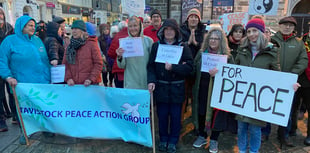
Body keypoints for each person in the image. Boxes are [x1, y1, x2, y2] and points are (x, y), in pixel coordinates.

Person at [0, 15, 51, 144]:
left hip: (40, 83)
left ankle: (46, 128)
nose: (33, 28)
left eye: (34, 26)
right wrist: (8, 76)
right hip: (21, 84)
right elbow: (2, 61)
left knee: (42, 107)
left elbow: (44, 60)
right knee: (24, 110)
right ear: (21, 26)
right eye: (30, 25)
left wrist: (48, 77)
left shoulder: (37, 40)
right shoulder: (9, 41)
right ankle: (26, 132)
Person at [235, 18, 280, 153]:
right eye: (248, 31)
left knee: (255, 129)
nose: (251, 34)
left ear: (261, 32)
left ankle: (254, 151)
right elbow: (234, 69)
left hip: (259, 99)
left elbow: (278, 75)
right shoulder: (242, 50)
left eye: (254, 30)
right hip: (243, 96)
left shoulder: (271, 52)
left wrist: (290, 85)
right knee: (241, 127)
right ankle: (242, 150)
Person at [147, 19, 193, 153]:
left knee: (175, 117)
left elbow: (190, 67)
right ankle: (163, 139)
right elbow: (151, 66)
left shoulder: (183, 46)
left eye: (171, 29)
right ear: (162, 31)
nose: (169, 32)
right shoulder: (156, 46)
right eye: (166, 29)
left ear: (176, 32)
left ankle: (173, 140)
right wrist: (151, 80)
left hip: (177, 88)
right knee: (161, 116)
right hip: (161, 88)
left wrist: (174, 67)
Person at [191, 27, 235, 152]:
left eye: (216, 39)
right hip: (202, 89)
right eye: (211, 38)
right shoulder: (201, 54)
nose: (213, 41)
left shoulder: (227, 57)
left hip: (218, 92)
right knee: (201, 112)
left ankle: (214, 139)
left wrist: (220, 73)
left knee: (217, 116)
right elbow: (194, 69)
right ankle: (202, 135)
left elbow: (232, 75)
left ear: (221, 41)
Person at [271, 16, 308, 148]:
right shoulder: (271, 40)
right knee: (267, 106)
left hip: (289, 82)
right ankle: (265, 131)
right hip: (272, 80)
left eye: (290, 25)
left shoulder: (299, 43)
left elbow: (303, 60)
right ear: (280, 26)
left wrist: (292, 74)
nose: (287, 27)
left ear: (293, 28)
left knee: (286, 110)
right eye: (285, 24)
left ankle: (284, 135)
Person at [180, 8, 206, 134]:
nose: (194, 19)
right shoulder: (181, 30)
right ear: (187, 18)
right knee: (183, 96)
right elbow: (177, 45)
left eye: (196, 17)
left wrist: (196, 43)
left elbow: (207, 47)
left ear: (199, 19)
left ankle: (196, 124)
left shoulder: (203, 31)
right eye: (191, 16)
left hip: (199, 69)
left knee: (196, 98)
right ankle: (179, 122)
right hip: (185, 68)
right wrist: (187, 43)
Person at [116, 16, 153, 89]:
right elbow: (122, 66)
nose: (133, 28)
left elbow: (152, 64)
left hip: (145, 81)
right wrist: (119, 56)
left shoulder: (148, 41)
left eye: (135, 25)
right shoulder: (124, 42)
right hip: (130, 82)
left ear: (140, 26)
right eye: (130, 26)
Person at [63, 20, 103, 86]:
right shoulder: (70, 46)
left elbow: (98, 64)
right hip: (74, 85)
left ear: (82, 31)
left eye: (76, 29)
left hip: (90, 85)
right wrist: (68, 78)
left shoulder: (91, 44)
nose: (74, 31)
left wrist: (90, 79)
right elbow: (65, 64)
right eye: (72, 29)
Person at [0, 7, 14, 132]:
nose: (0, 16)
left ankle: (14, 115)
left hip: (9, 63)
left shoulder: (9, 28)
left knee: (11, 91)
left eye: (1, 13)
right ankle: (1, 121)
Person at [298, 22, 310, 146]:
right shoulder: (303, 39)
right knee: (294, 107)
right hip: (300, 79)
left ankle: (309, 135)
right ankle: (290, 130)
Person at [107, 21, 128, 88]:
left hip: (119, 70)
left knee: (120, 91)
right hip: (131, 70)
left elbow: (110, 53)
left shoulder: (117, 37)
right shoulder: (133, 36)